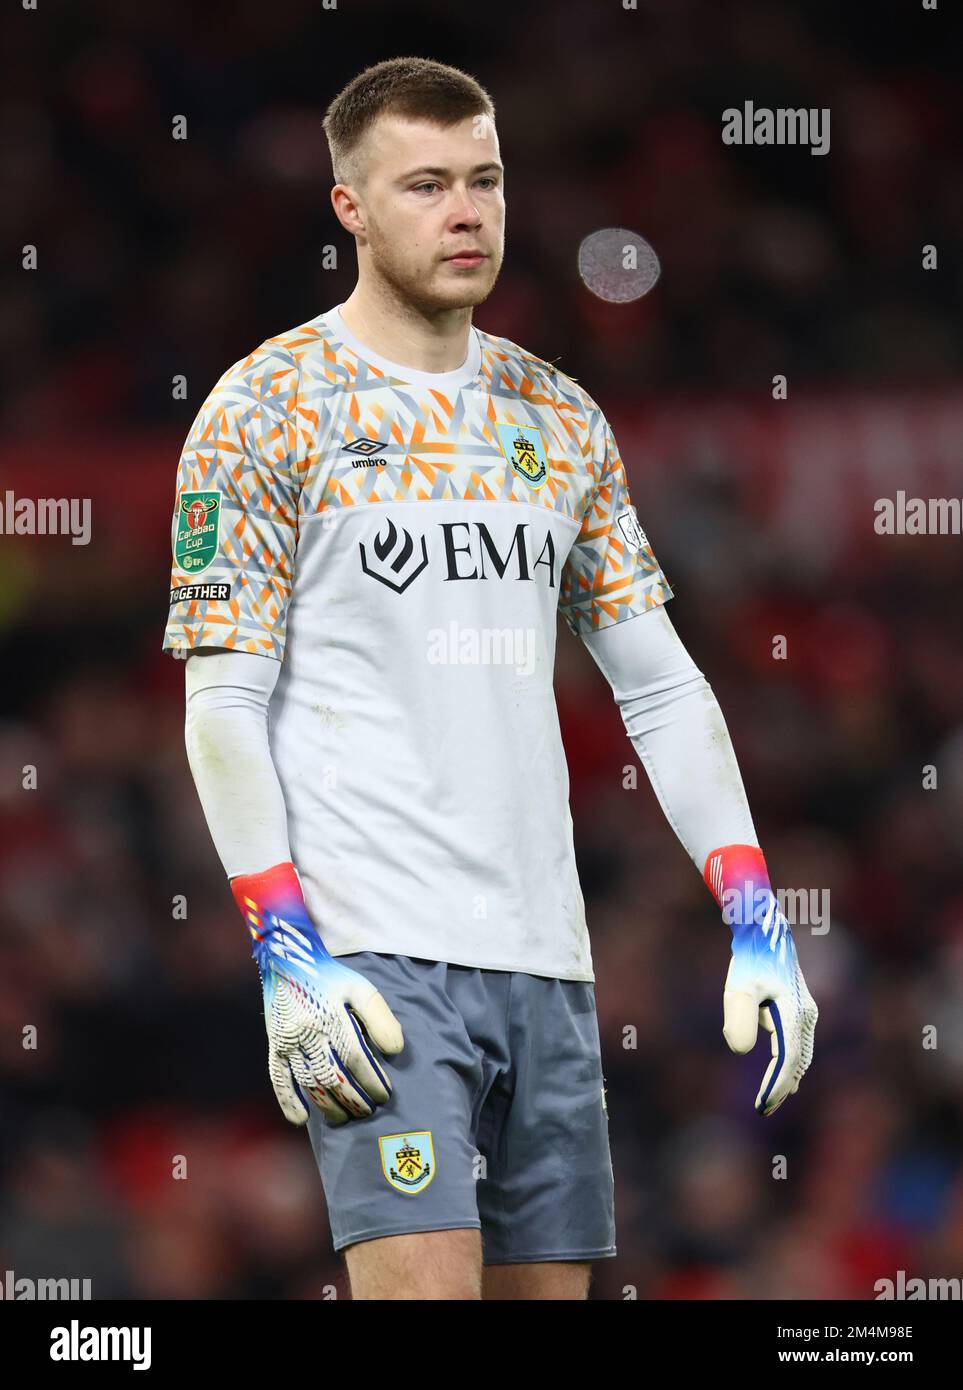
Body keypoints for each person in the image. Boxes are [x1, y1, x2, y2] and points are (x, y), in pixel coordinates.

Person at [163, 56, 817, 1301]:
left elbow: (663, 688)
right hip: (375, 957)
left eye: (486, 180)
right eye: (426, 185)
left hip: (548, 961)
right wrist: (284, 946)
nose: (467, 214)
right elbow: (223, 706)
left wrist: (754, 907)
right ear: (350, 206)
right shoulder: (266, 409)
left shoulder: (556, 415)